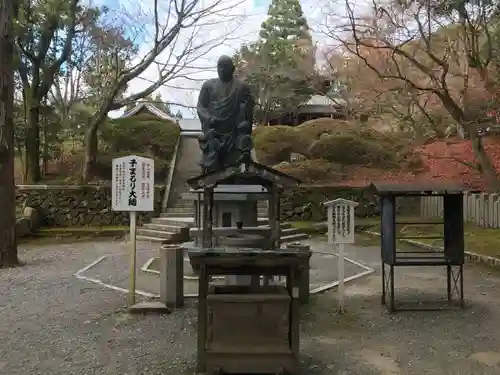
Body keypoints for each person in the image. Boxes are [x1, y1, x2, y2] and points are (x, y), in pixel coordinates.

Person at [196, 55, 255, 172]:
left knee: (242, 144)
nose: (222, 70)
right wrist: (209, 118)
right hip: (214, 129)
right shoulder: (208, 86)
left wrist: (245, 123)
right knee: (212, 147)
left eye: (225, 67)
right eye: (219, 66)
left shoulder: (241, 87)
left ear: (233, 69)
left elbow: (247, 109)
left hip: (234, 130)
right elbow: (201, 106)